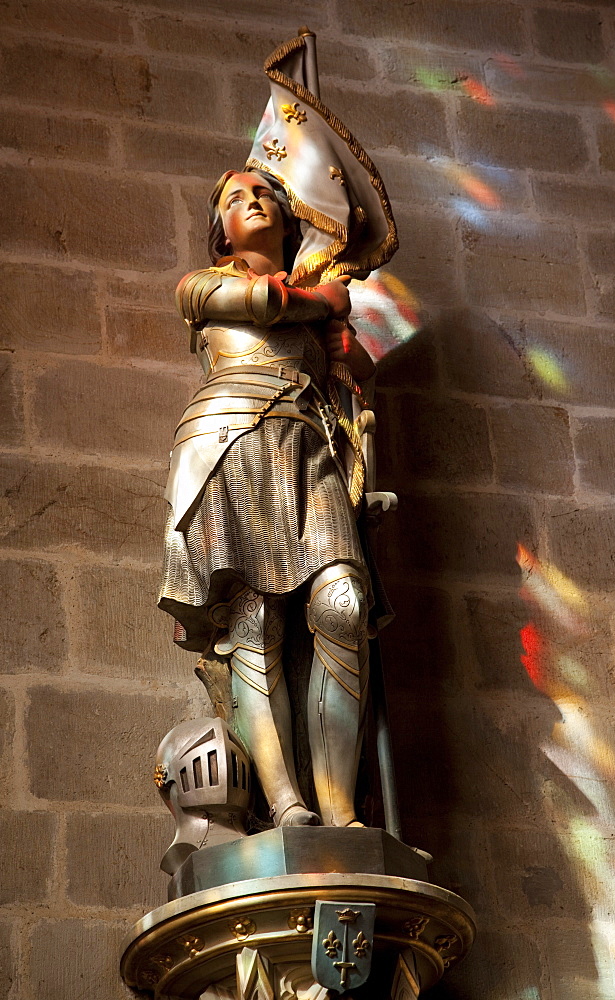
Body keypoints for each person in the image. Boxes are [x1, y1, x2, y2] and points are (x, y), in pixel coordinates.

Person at [159, 168, 377, 829]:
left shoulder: (315, 304)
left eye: (262, 194)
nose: (251, 201)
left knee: (342, 602)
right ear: (218, 231)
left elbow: (356, 378)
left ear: (287, 220)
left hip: (310, 450)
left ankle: (340, 806)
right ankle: (285, 802)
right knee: (252, 622)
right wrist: (326, 300)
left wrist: (345, 350)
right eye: (233, 198)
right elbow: (262, 306)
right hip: (226, 439)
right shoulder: (204, 286)